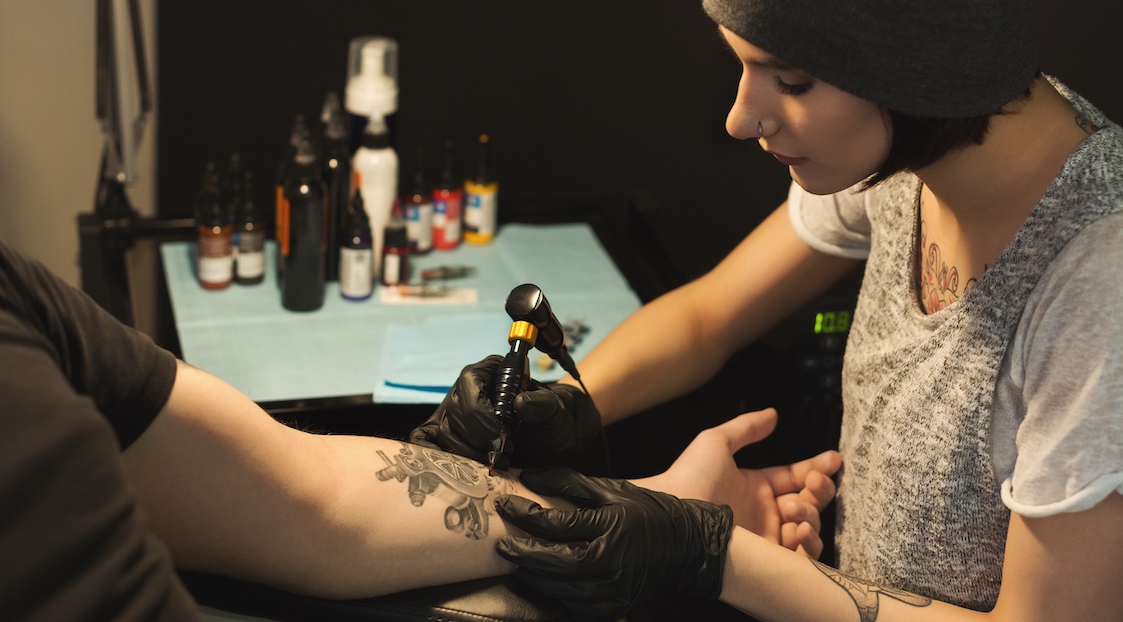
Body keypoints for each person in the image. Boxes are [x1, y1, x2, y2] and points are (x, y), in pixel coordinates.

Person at [419, 0, 1123, 620]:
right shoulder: (907, 153)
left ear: (924, 64)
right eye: (744, 66)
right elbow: (707, 318)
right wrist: (563, 405)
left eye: (789, 80)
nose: (740, 118)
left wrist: (716, 555)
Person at [0, 233, 837, 620]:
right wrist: (710, 550)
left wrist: (653, 503)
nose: (739, 119)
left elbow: (314, 498)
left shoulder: (20, 308)